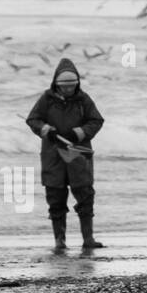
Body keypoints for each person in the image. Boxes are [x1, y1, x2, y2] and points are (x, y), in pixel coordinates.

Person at [25, 57, 105, 254]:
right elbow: (32, 119)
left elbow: (96, 120)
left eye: (72, 86)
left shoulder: (84, 99)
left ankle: (88, 239)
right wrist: (46, 130)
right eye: (64, 87)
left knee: (85, 195)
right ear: (56, 85)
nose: (68, 90)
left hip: (78, 153)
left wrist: (78, 133)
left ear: (77, 84)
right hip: (53, 155)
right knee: (55, 197)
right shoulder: (46, 99)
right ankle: (59, 241)